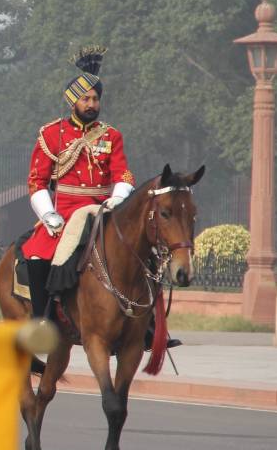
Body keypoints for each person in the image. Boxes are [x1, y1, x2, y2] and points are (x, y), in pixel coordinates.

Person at [21, 47, 173, 350]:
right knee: (37, 256)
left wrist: (117, 200)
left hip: (105, 209)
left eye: (95, 99)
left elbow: (124, 175)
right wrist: (48, 214)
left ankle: (150, 328)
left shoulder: (111, 136)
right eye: (86, 99)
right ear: (73, 101)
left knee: (146, 258)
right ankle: (42, 321)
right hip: (64, 213)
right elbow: (37, 181)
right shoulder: (52, 134)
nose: (92, 104)